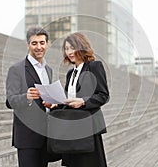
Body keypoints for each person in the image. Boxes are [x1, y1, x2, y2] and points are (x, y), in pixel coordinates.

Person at [45, 32, 109, 167]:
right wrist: (55, 105)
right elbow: (69, 100)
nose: (69, 52)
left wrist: (84, 102)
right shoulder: (70, 73)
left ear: (81, 47)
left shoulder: (94, 66)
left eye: (72, 47)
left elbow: (103, 95)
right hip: (72, 128)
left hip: (88, 127)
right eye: (67, 49)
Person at [6, 27, 60, 167]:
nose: (39, 47)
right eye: (34, 43)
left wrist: (52, 103)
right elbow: (10, 101)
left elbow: (46, 97)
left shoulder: (48, 70)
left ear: (47, 44)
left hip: (45, 135)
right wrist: (27, 97)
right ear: (28, 45)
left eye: (42, 43)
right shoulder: (16, 69)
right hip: (27, 137)